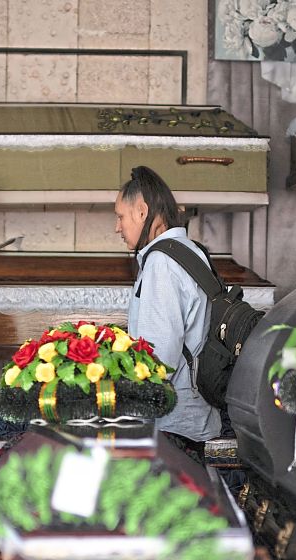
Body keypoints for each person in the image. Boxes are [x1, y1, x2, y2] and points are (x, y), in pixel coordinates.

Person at [116, 165, 221, 462]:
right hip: (192, 417)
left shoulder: (162, 262)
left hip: (172, 426)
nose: (117, 227)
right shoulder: (190, 250)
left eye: (120, 216)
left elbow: (158, 358)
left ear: (141, 211)